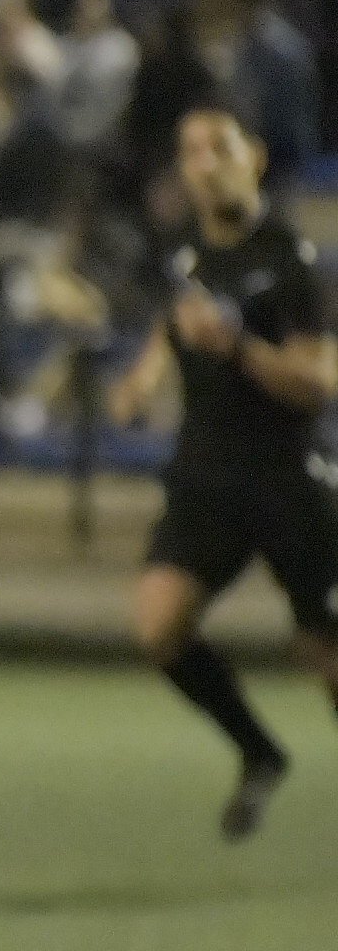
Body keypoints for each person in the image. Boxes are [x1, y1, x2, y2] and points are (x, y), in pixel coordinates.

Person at [106, 104, 338, 838]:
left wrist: (238, 349)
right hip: (207, 476)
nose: (205, 163)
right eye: (191, 151)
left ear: (255, 157)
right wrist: (138, 384)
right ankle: (260, 753)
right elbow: (174, 327)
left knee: (326, 656)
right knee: (159, 628)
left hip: (288, 477)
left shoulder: (292, 258)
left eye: (220, 148)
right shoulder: (187, 259)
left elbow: (318, 381)